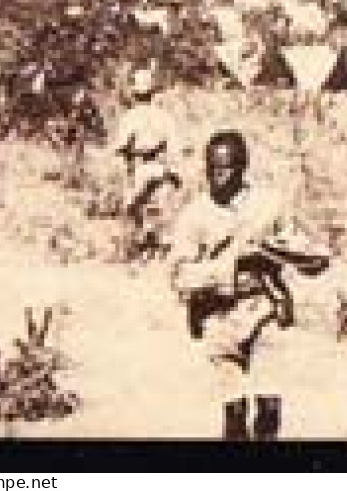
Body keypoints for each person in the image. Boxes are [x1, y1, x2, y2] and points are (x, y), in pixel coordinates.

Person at [170, 130, 329, 440]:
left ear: (242, 167)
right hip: (218, 317)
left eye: (225, 168)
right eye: (211, 168)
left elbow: (307, 250)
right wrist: (232, 266)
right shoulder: (195, 215)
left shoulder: (269, 204)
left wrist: (287, 253)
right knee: (235, 410)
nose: (217, 176)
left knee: (270, 406)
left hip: (264, 311)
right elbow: (179, 277)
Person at [109, 67, 182, 259]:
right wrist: (174, 172)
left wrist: (125, 168)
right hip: (162, 167)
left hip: (141, 167)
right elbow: (176, 146)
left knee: (132, 209)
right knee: (161, 212)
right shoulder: (165, 117)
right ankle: (157, 252)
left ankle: (137, 251)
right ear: (153, 91)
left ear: (134, 92)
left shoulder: (131, 117)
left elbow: (120, 147)